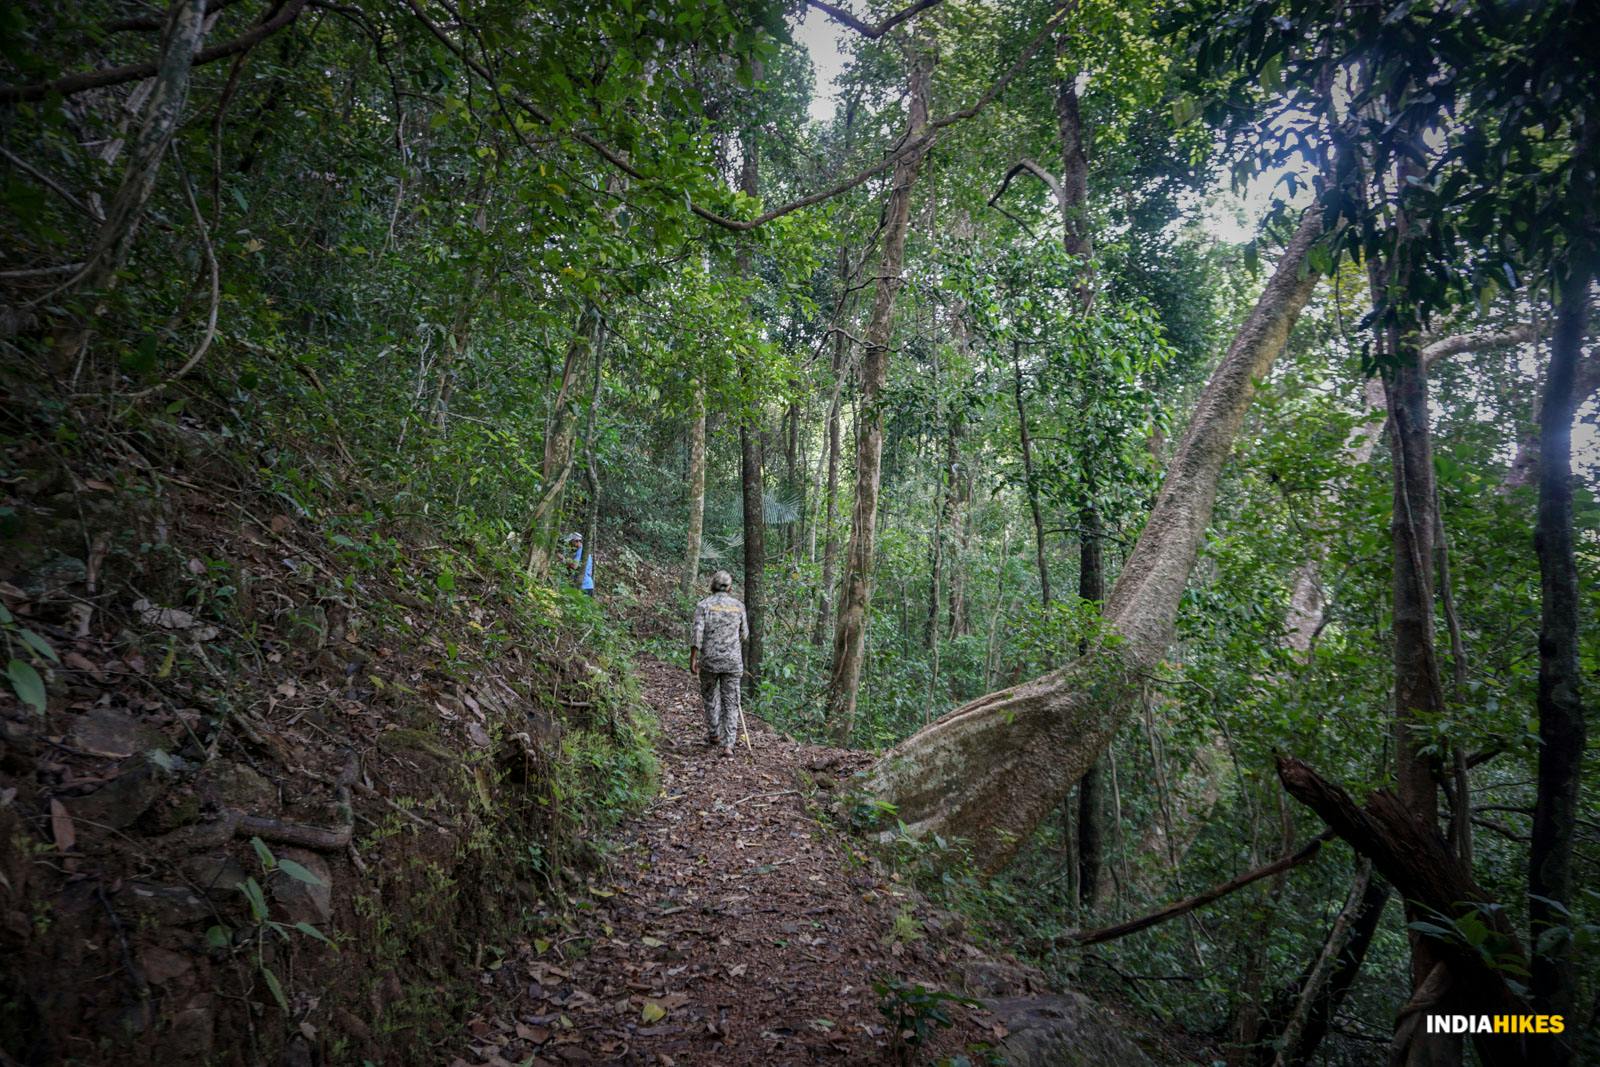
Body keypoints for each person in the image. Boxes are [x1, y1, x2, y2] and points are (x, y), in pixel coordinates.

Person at [689, 570, 748, 757]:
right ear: (730, 587)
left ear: (712, 585)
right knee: (731, 702)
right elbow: (744, 634)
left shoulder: (704, 605)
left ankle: (714, 733)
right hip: (732, 661)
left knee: (709, 696)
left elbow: (697, 634)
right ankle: (728, 745)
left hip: (709, 661)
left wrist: (693, 658)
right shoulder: (738, 606)